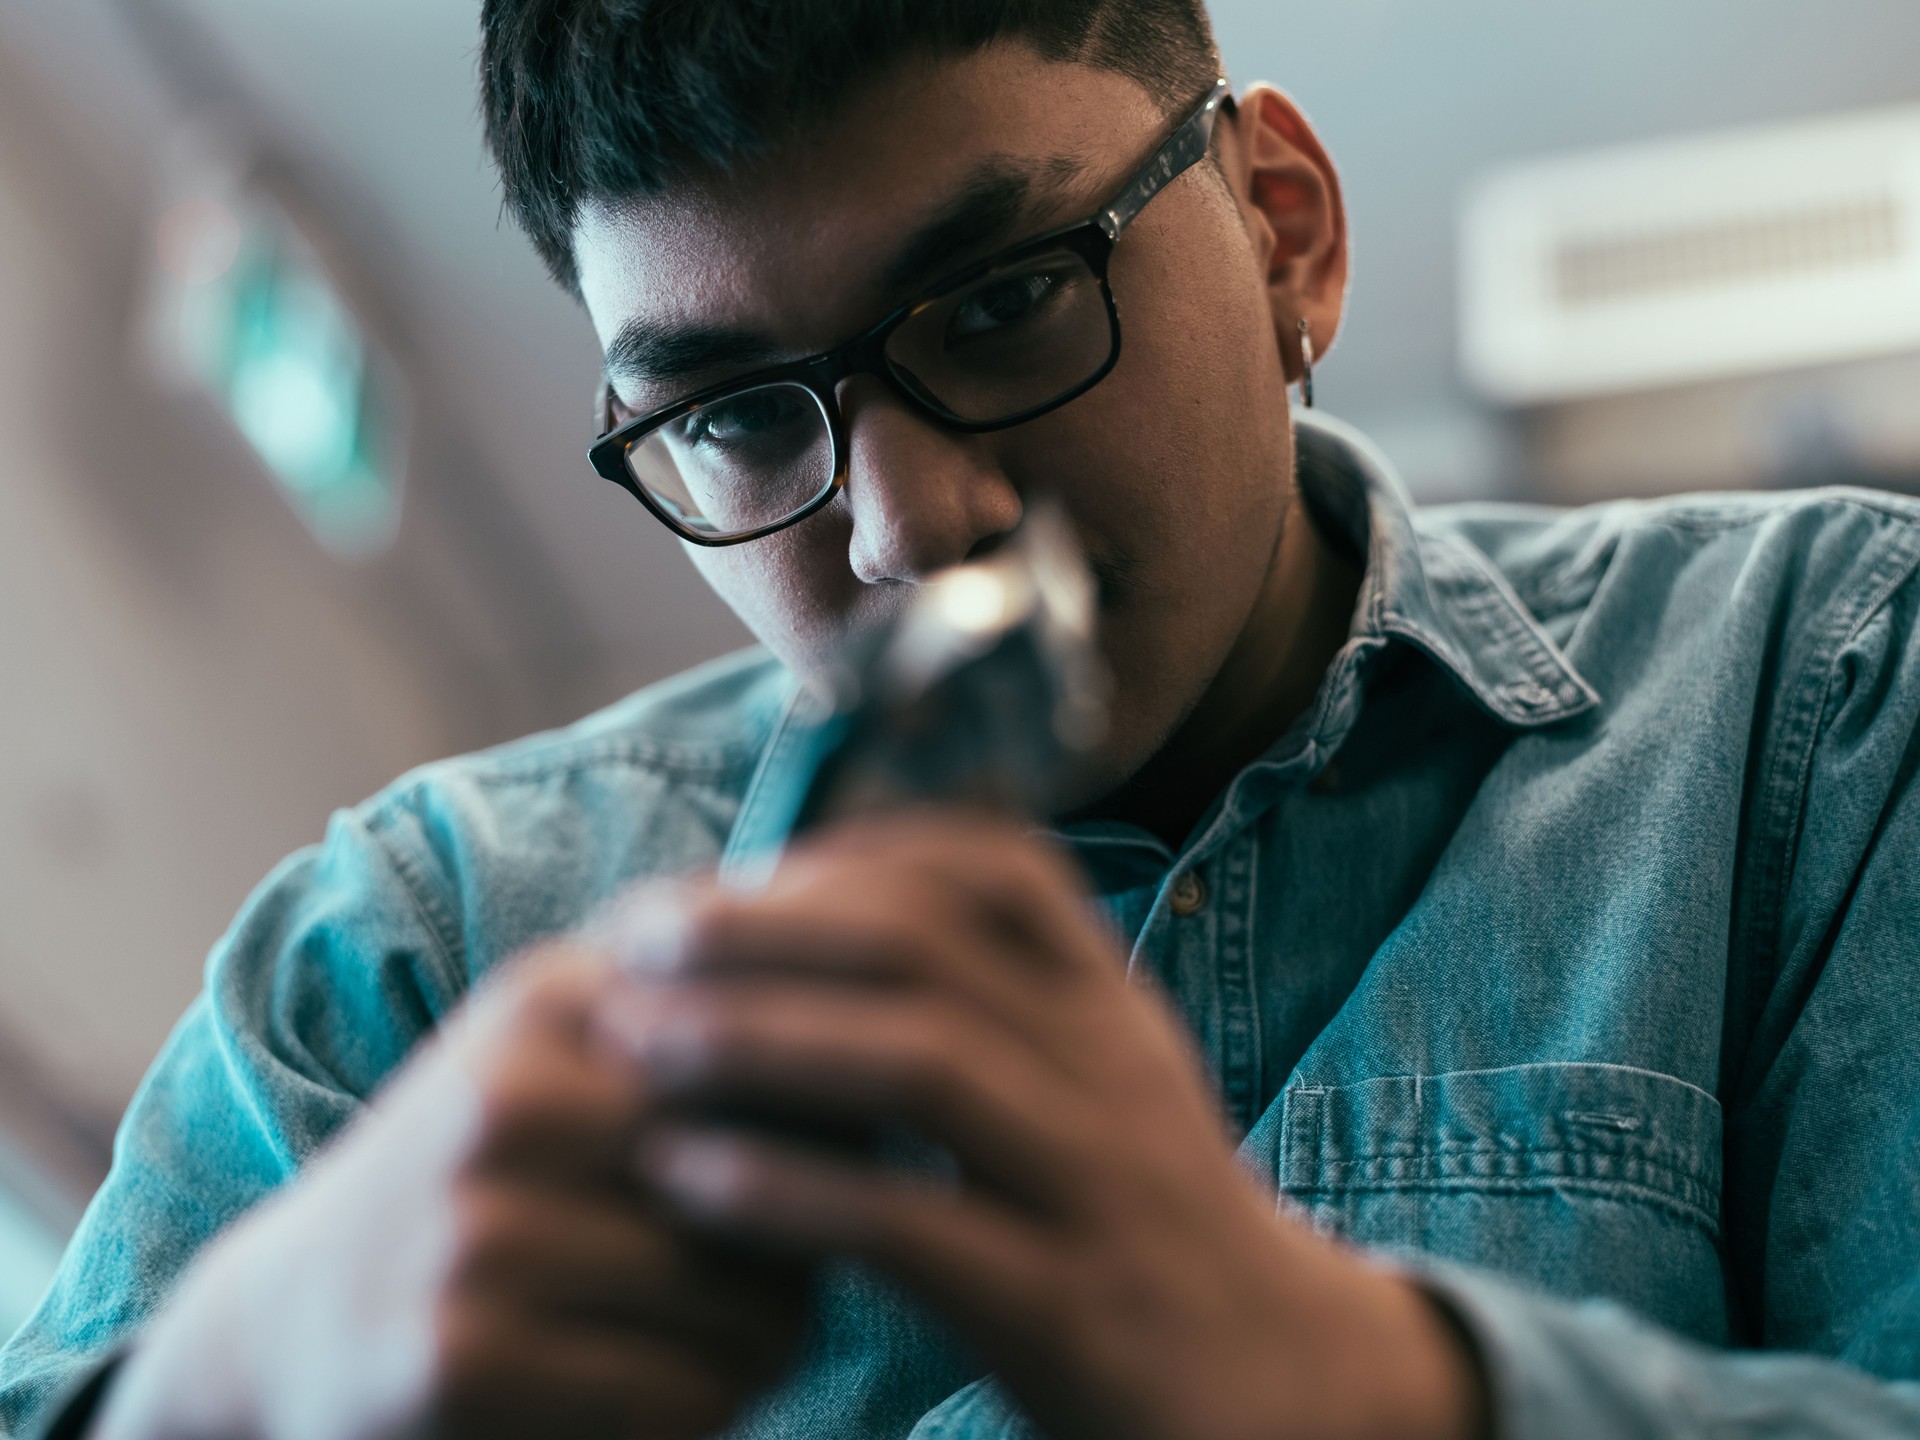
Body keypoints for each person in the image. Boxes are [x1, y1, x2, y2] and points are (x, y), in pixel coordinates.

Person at [6, 0, 1920, 1435]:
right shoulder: (410, 962)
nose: (914, 525)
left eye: (1005, 302)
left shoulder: (1815, 694)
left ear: (1284, 229)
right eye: (739, 416)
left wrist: (1361, 1385)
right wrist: (233, 1383)